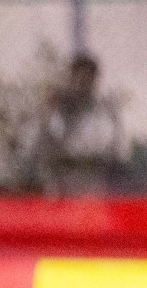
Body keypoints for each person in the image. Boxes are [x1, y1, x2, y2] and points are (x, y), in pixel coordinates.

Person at [40, 52, 123, 196]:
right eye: (78, 78)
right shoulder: (61, 110)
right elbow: (50, 143)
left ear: (94, 80)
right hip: (64, 179)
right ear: (71, 79)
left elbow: (110, 148)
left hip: (93, 179)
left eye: (87, 78)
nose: (82, 83)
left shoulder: (103, 112)